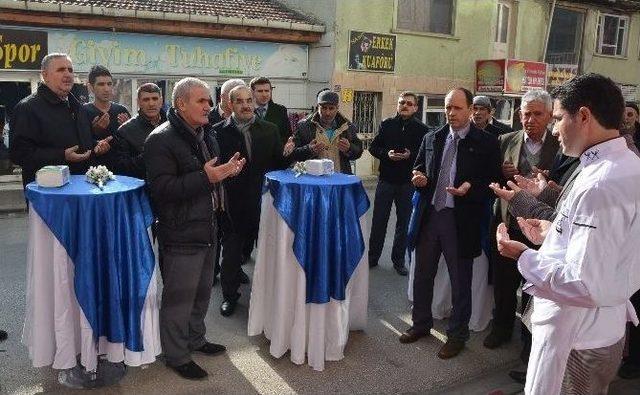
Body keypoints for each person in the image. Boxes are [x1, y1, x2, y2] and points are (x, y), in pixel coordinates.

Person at [496, 73, 640, 394]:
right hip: (597, 328)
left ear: (584, 116)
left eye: (558, 118)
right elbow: (599, 247)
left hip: (578, 338)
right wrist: (551, 236)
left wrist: (525, 257)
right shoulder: (624, 165)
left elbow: (584, 283)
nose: (554, 129)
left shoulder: (603, 181)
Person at [144, 77, 246, 380]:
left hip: (208, 226)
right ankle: (176, 355)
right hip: (181, 232)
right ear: (181, 104)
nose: (209, 105)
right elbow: (161, 189)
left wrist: (226, 172)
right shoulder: (160, 139)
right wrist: (209, 178)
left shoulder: (205, 133)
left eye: (208, 100)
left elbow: (209, 175)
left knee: (202, 292)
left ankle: (196, 339)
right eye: (201, 101)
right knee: (179, 298)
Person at [400, 88, 500, 360]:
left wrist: (471, 186)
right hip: (431, 215)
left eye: (457, 108)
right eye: (447, 108)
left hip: (461, 220)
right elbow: (418, 166)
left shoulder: (486, 142)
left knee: (460, 282)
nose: (451, 113)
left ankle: (457, 336)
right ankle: (420, 324)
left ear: (470, 109)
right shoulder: (432, 137)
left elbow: (493, 181)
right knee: (422, 275)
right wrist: (418, 176)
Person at [484, 90, 559, 352]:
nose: (531, 119)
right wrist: (499, 172)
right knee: (504, 285)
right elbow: (488, 177)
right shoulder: (505, 140)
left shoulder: (560, 145)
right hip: (509, 223)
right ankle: (501, 328)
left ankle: (529, 341)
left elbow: (564, 189)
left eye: (538, 114)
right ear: (519, 115)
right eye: (526, 114)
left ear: (550, 116)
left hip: (542, 229)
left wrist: (549, 181)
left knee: (533, 288)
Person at [214, 85, 291, 317]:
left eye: (249, 100)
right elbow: (214, 166)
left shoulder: (269, 129)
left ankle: (270, 296)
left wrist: (299, 152)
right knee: (231, 253)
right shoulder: (217, 132)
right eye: (240, 101)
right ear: (230, 104)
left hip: (264, 201)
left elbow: (279, 162)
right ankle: (229, 296)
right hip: (232, 203)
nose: (246, 105)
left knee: (266, 250)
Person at [10, 53, 112, 189]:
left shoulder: (77, 106)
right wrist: (62, 155)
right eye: (61, 70)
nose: (68, 74)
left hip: (81, 189)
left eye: (70, 70)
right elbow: (19, 154)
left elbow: (79, 143)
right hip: (48, 196)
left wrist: (95, 146)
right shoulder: (27, 108)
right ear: (45, 75)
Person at [368, 91, 428, 275]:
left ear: (416, 108)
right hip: (386, 180)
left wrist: (411, 157)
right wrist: (387, 154)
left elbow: (425, 155)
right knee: (379, 220)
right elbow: (373, 147)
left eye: (409, 104)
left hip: (407, 183)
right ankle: (373, 257)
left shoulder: (422, 129)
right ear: (397, 105)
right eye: (402, 102)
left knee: (403, 223)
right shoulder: (387, 124)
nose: (405, 106)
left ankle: (399, 260)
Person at [208, 78, 250, 285]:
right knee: (215, 234)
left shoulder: (247, 120)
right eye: (233, 96)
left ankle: (233, 270)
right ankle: (212, 270)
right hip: (216, 188)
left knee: (234, 238)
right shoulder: (208, 119)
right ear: (223, 98)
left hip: (240, 191)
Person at [291, 90, 363, 174]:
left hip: (339, 181)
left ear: (337, 108)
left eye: (331, 108)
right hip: (313, 181)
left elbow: (358, 152)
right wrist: (309, 150)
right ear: (318, 107)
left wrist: (349, 148)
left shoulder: (348, 127)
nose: (327, 113)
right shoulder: (304, 126)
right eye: (324, 108)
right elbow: (293, 153)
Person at [109, 83, 166, 179]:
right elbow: (120, 169)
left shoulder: (173, 125)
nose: (151, 103)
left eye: (155, 99)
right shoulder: (125, 131)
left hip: (172, 187)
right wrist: (147, 155)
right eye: (146, 99)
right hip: (143, 189)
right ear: (138, 102)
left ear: (161, 101)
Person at [82, 65, 130, 138]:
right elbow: (80, 141)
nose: (106, 89)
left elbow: (133, 142)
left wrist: (127, 129)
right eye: (101, 84)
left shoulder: (121, 111)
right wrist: (95, 131)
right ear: (91, 87)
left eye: (109, 84)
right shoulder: (84, 111)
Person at [250, 76, 293, 144]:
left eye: (267, 91)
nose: (264, 94)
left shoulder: (280, 111)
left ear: (271, 91)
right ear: (252, 92)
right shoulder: (247, 110)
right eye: (260, 91)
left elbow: (287, 136)